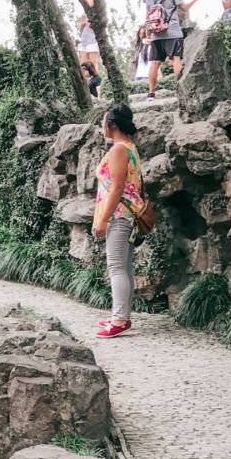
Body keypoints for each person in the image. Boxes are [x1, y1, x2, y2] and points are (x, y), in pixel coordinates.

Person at [92, 105, 144, 339]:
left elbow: (117, 188)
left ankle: (119, 319)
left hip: (118, 215)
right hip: (128, 214)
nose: (101, 126)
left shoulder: (118, 150)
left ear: (112, 125)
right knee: (124, 266)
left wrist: (103, 220)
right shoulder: (129, 148)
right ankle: (121, 315)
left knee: (116, 266)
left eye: (103, 122)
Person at [144, 0, 202, 98]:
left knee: (155, 62)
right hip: (172, 31)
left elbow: (147, 14)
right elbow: (184, 8)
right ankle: (180, 91)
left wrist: (148, 32)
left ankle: (151, 93)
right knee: (177, 59)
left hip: (156, 33)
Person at [77, 0, 100, 75]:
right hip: (84, 40)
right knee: (83, 64)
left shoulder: (97, 12)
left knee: (93, 63)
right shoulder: (84, 14)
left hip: (92, 40)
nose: (90, 1)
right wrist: (83, 23)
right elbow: (81, 28)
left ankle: (96, 85)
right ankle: (86, 84)